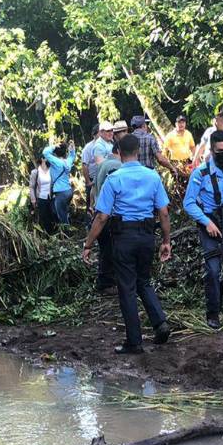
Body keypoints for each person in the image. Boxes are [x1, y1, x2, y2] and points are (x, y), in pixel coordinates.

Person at [82, 133, 173, 353]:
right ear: (139, 152)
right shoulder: (153, 177)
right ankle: (160, 322)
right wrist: (166, 241)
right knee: (144, 281)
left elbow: (102, 217)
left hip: (123, 237)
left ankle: (134, 342)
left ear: (119, 153)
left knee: (127, 288)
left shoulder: (115, 178)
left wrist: (88, 244)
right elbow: (163, 212)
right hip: (147, 236)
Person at [183, 129, 223, 330]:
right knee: (212, 270)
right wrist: (206, 222)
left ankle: (217, 294)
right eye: (221, 150)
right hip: (210, 223)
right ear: (212, 150)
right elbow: (189, 203)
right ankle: (213, 312)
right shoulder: (200, 173)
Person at [90, 121, 128, 294]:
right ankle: (106, 283)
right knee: (109, 250)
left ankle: (106, 281)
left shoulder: (104, 164)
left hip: (101, 211)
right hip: (108, 215)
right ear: (119, 152)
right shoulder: (115, 167)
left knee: (107, 249)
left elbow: (94, 189)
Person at [42, 140, 76, 225]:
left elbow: (45, 152)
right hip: (68, 191)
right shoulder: (67, 162)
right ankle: (68, 225)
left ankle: (67, 234)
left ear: (55, 153)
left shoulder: (56, 162)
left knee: (62, 217)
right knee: (62, 211)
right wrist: (72, 149)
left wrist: (54, 146)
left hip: (61, 193)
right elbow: (72, 156)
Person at [81, 122, 114, 210]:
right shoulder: (89, 147)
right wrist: (88, 181)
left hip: (104, 178)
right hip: (93, 179)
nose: (110, 133)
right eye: (107, 131)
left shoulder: (110, 143)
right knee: (91, 204)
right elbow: (84, 165)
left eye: (111, 130)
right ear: (98, 133)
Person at [29, 158, 56, 233]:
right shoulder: (35, 172)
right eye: (45, 157)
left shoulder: (51, 170)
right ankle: (48, 235)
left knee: (53, 215)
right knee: (45, 217)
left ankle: (55, 233)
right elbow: (32, 186)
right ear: (42, 159)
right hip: (41, 197)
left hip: (51, 197)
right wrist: (33, 199)